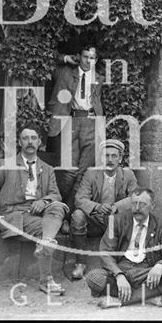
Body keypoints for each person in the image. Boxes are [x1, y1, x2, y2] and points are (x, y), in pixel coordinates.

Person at [0, 124, 68, 295]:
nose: (30, 142)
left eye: (34, 138)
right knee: (47, 228)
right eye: (26, 138)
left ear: (40, 142)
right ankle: (46, 280)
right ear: (20, 142)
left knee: (58, 207)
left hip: (37, 213)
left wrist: (43, 201)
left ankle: (46, 242)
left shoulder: (48, 169)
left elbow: (55, 195)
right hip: (14, 216)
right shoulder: (6, 165)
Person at [85, 187, 162, 309]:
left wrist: (160, 266)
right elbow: (106, 252)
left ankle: (119, 301)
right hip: (122, 269)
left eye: (142, 204)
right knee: (93, 278)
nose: (136, 208)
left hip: (147, 272)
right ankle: (148, 296)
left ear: (152, 205)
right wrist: (119, 275)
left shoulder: (161, 225)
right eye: (133, 204)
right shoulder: (115, 221)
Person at [69, 139, 139, 279]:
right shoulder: (91, 173)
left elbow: (136, 197)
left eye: (114, 156)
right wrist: (98, 207)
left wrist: (116, 207)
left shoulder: (128, 174)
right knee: (77, 216)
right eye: (106, 156)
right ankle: (80, 263)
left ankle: (122, 265)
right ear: (101, 158)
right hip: (95, 220)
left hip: (116, 223)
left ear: (120, 158)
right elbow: (79, 199)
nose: (110, 159)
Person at [47, 43, 104, 210]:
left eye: (92, 58)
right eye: (85, 56)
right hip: (70, 121)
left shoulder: (99, 78)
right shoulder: (64, 73)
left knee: (83, 173)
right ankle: (56, 205)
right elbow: (46, 58)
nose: (88, 61)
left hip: (91, 123)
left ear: (96, 60)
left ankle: (67, 212)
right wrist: (65, 58)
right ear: (79, 57)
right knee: (69, 172)